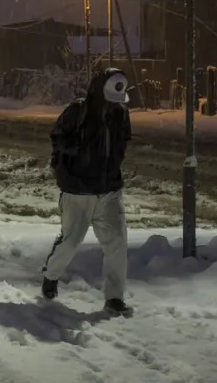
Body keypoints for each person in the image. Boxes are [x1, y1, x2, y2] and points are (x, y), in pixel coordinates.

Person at [41, 67, 133, 317]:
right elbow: (57, 138)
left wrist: (111, 169)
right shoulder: (76, 111)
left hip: (109, 190)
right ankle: (51, 275)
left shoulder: (121, 115)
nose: (113, 105)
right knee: (71, 241)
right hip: (78, 190)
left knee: (117, 243)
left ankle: (114, 297)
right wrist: (79, 149)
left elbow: (122, 144)